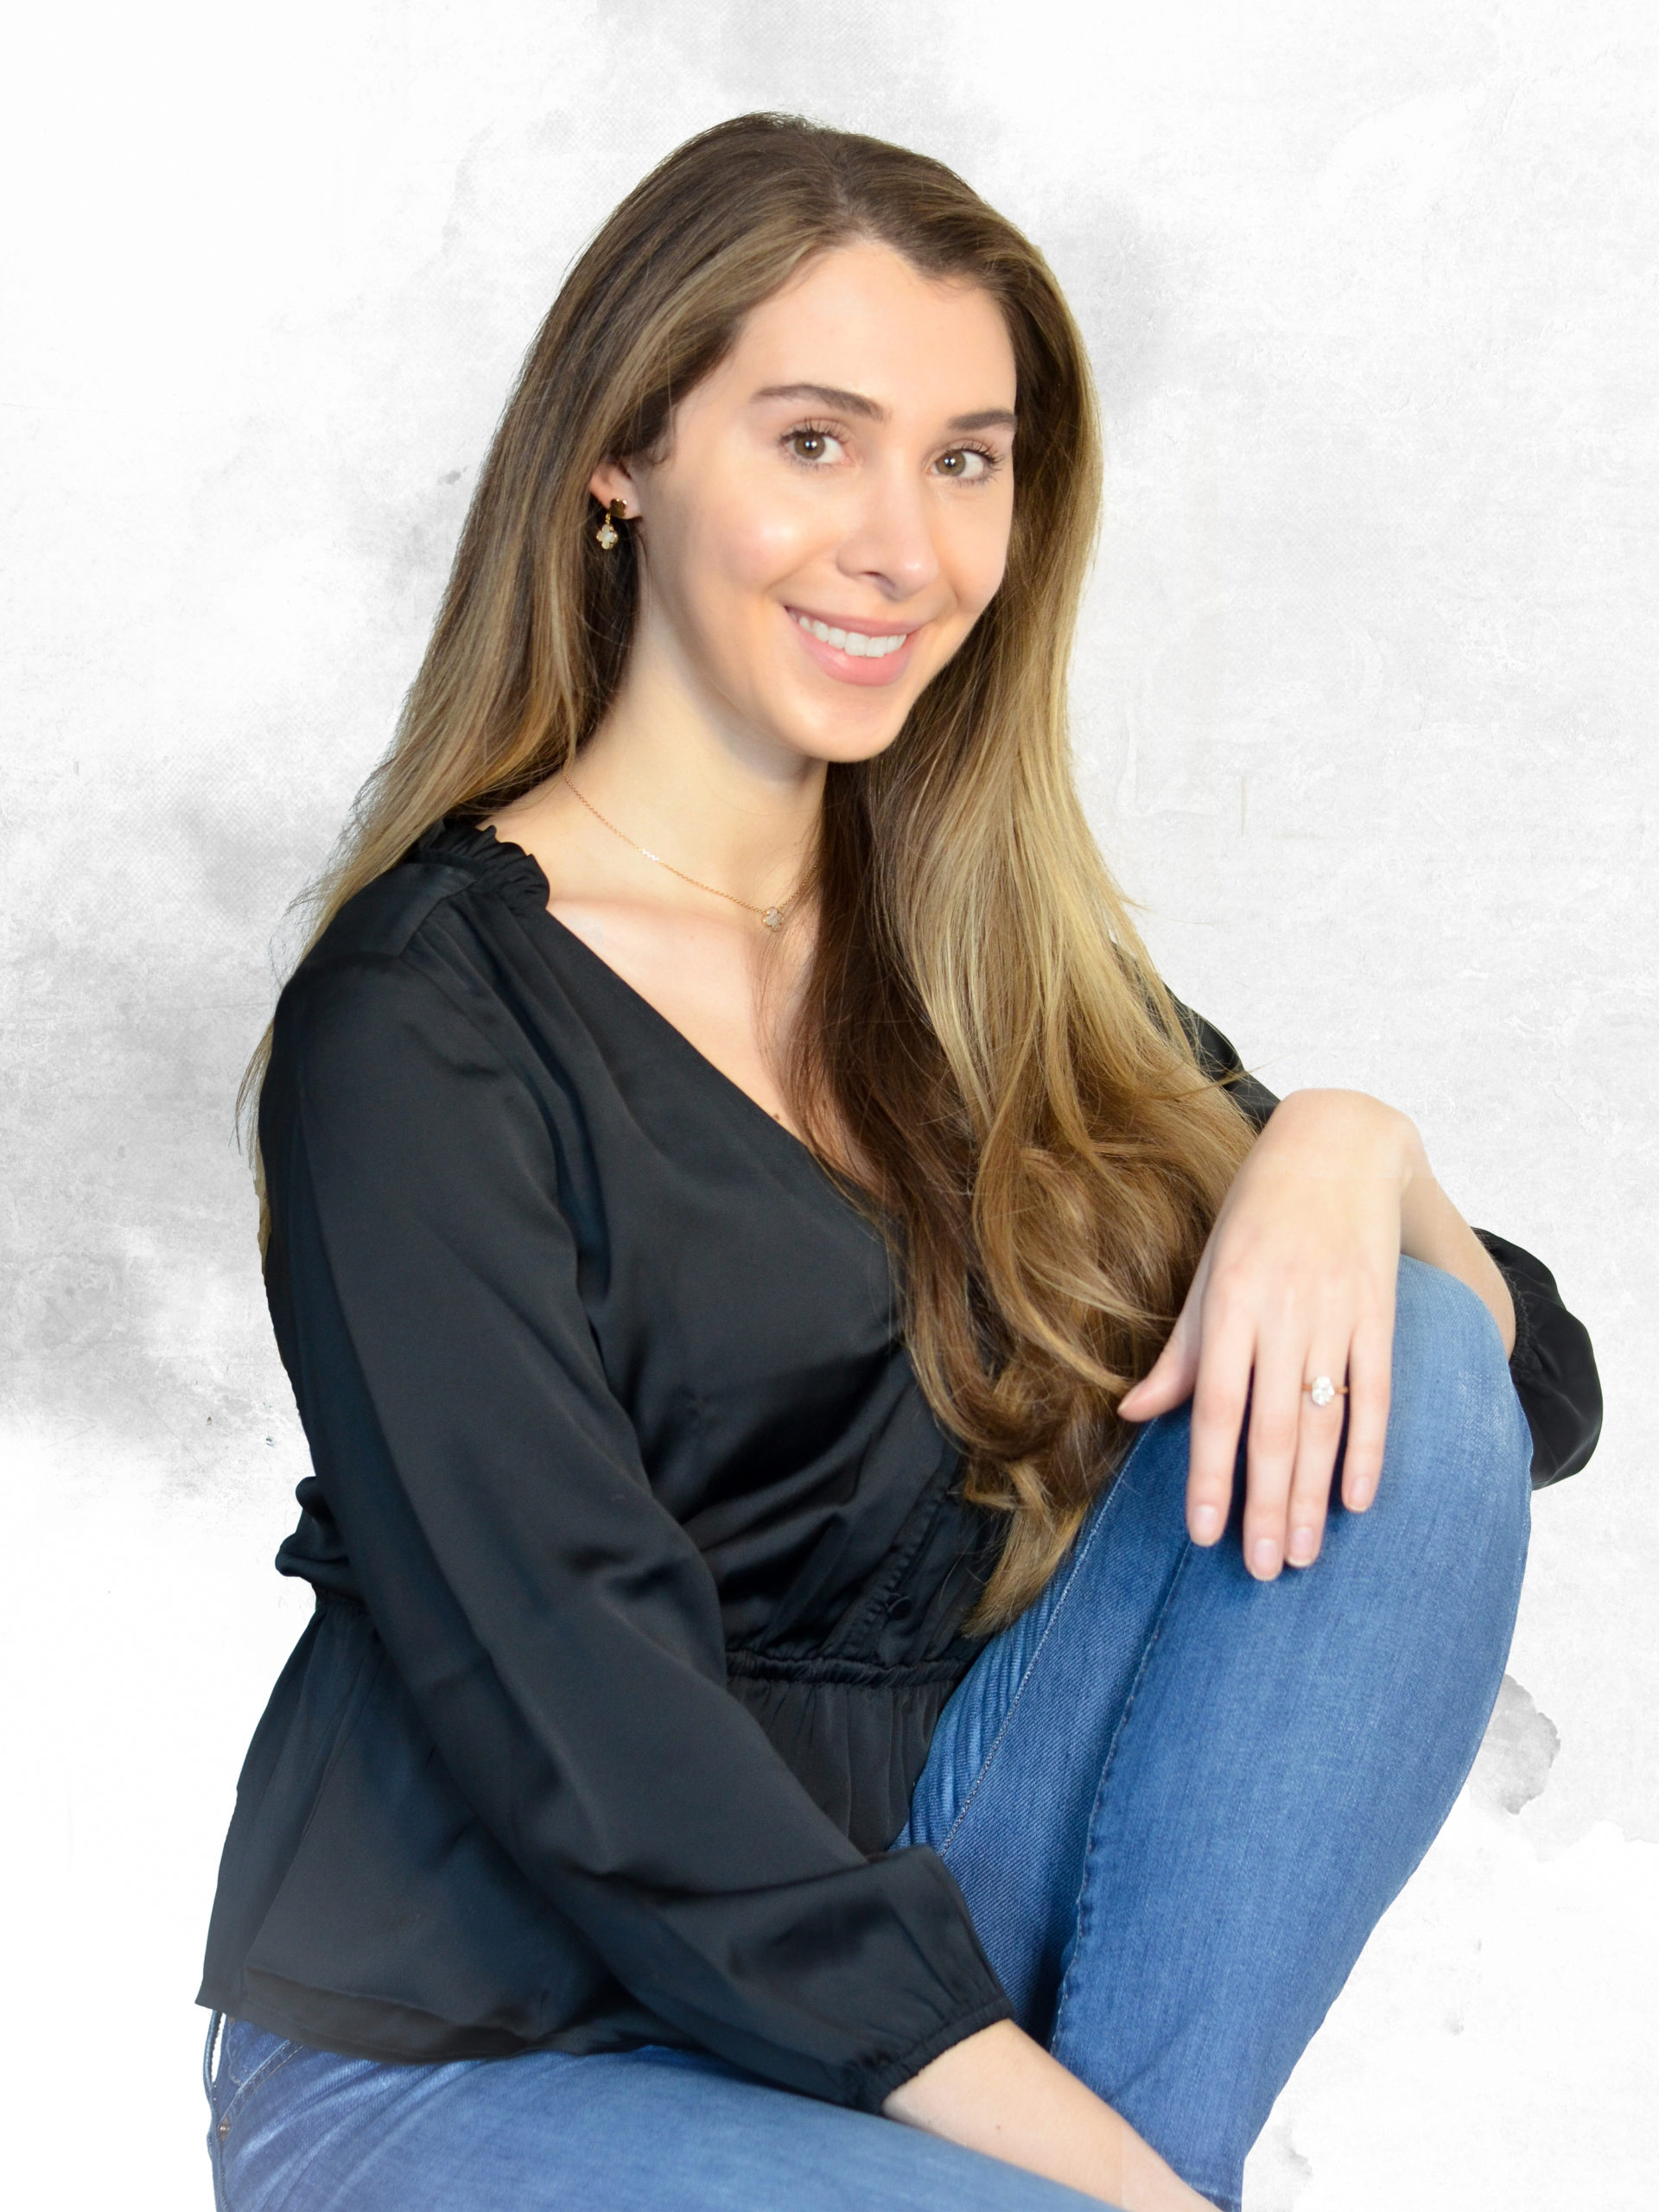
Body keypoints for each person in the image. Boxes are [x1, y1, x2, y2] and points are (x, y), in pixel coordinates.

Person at [196, 113, 1601, 2212]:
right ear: (624, 456)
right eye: (817, 440)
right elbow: (599, 1738)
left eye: (969, 457)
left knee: (1402, 1347)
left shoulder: (987, 957)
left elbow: (1526, 1394)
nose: (908, 545)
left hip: (936, 1913)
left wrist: (1339, 1143)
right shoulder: (421, 1018)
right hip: (489, 2034)